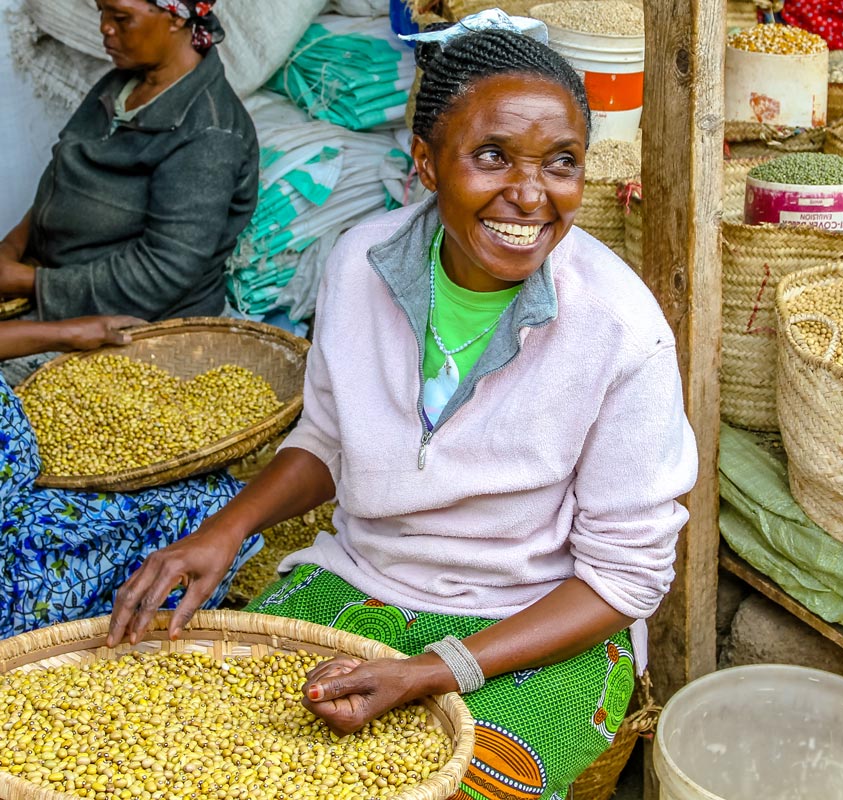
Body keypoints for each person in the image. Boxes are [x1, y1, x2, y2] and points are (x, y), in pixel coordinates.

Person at [107, 17, 699, 800]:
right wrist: (227, 528)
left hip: (534, 629)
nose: (528, 195)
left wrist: (433, 671)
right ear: (425, 163)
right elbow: (328, 440)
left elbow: (622, 580)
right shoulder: (359, 263)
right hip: (363, 581)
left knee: (440, 785)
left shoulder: (620, 328)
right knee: (208, 749)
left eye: (561, 163)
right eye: (491, 157)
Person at [0, 315, 262, 639]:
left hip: (29, 477)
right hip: (12, 548)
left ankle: (151, 634)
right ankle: (83, 642)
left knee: (213, 496)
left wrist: (67, 333)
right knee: (202, 510)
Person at [0, 0, 257, 324]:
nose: (105, 27)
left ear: (175, 18)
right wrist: (9, 249)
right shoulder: (124, 84)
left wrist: (27, 282)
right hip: (56, 285)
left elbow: (160, 274)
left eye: (121, 17)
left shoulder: (209, 133)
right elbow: (62, 178)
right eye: (101, 12)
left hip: (143, 325)